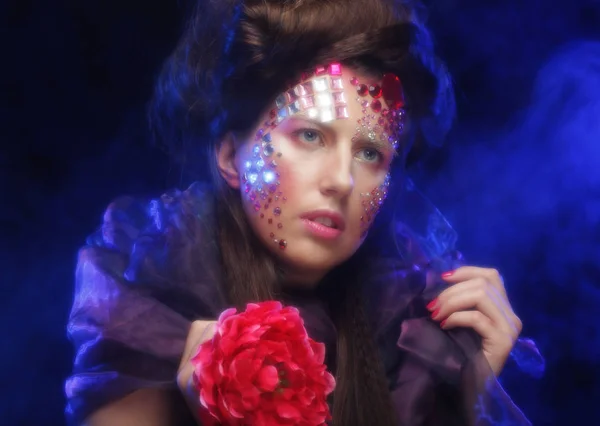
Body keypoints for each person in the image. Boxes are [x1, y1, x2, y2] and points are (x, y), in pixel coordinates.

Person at [65, 0, 532, 425]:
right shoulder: (152, 291)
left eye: (371, 153)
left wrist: (474, 393)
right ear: (230, 156)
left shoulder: (411, 322)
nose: (342, 180)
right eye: (310, 136)